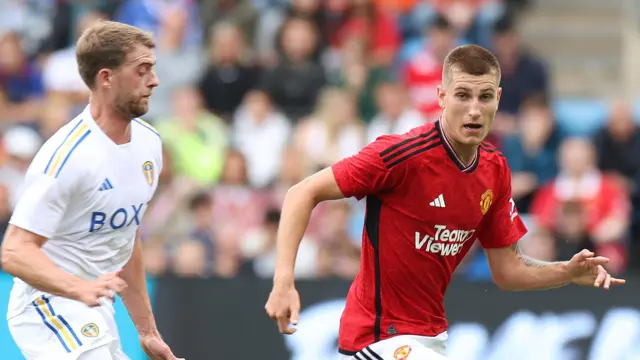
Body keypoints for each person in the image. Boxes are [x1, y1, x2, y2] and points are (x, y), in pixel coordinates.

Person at [264, 44, 625, 360]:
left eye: (485, 97)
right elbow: (301, 193)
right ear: (441, 97)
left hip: (429, 338)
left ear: (498, 99)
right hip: (376, 337)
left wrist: (567, 270)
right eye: (462, 95)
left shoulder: (495, 170)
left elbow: (508, 270)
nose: (474, 109)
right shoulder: (401, 154)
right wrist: (283, 282)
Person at [1, 21, 183, 360]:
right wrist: (78, 287)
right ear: (106, 78)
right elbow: (13, 251)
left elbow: (127, 238)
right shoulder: (67, 158)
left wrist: (146, 330)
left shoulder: (149, 144)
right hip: (46, 305)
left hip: (94, 306)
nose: (154, 80)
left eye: (152, 70)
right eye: (142, 70)